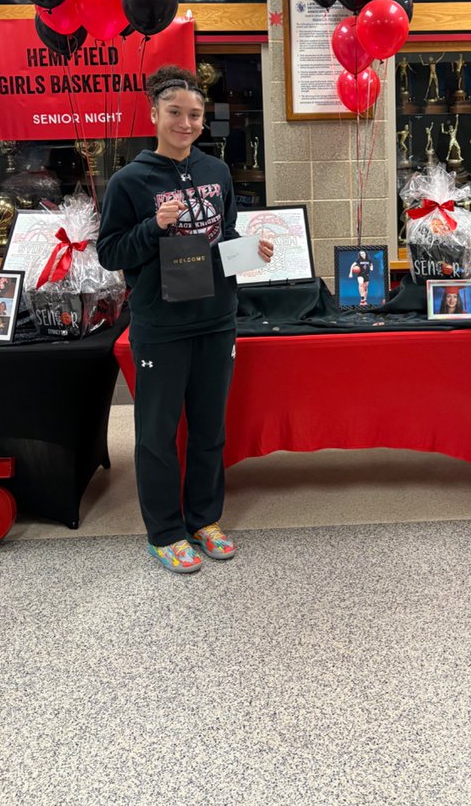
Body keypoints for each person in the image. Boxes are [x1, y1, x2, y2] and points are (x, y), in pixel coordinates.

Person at [98, 64, 274, 576]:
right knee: (155, 433)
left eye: (194, 114)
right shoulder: (129, 181)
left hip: (217, 318)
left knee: (209, 429)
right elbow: (110, 253)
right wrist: (154, 227)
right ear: (154, 114)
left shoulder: (216, 172)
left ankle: (203, 519)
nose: (186, 122)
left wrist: (252, 253)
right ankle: (165, 532)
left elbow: (222, 242)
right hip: (160, 324)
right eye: (175, 112)